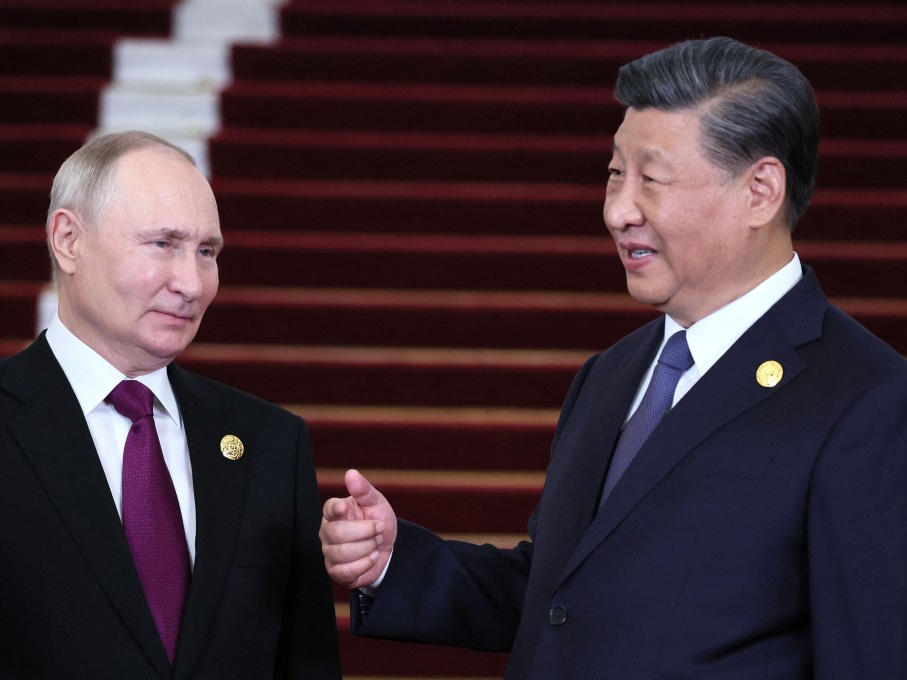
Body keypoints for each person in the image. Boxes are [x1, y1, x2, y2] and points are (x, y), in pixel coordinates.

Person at [319, 37, 907, 678]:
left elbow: (869, 650)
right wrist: (396, 562)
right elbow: (563, 594)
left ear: (761, 190)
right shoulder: (614, 372)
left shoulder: (868, 400)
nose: (618, 210)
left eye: (650, 179)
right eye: (614, 175)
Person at [0, 131, 341, 679]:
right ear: (68, 240)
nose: (192, 283)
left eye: (207, 252)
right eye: (162, 244)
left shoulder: (271, 442)